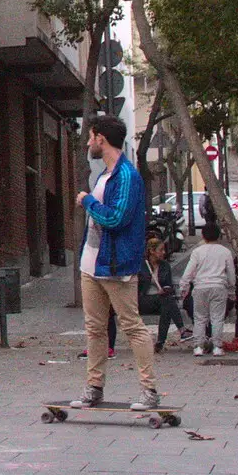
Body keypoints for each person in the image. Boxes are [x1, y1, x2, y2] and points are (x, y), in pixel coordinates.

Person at [72, 114, 160, 410]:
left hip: (115, 265)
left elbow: (116, 218)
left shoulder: (126, 176)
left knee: (131, 325)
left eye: (91, 137)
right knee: (94, 328)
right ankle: (94, 387)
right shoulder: (105, 175)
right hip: (92, 264)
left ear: (101, 139)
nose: (88, 142)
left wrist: (87, 201)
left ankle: (149, 390)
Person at [180, 223, 234, 355]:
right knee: (217, 318)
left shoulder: (197, 252)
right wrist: (231, 288)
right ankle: (217, 346)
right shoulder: (225, 252)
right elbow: (231, 274)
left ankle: (198, 346)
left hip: (200, 287)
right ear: (219, 236)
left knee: (200, 318)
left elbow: (189, 272)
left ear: (203, 235)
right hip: (219, 286)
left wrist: (184, 286)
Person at [143, 236, 192, 351]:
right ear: (152, 251)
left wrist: (165, 289)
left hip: (160, 299)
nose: (163, 253)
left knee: (167, 304)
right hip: (143, 299)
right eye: (160, 250)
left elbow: (169, 285)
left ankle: (160, 342)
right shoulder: (142, 265)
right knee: (168, 302)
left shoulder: (165, 266)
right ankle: (181, 330)